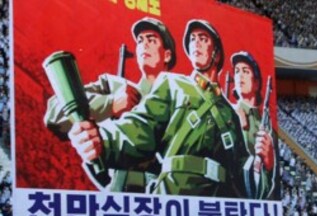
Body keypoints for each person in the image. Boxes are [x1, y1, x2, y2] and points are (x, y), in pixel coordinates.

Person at [67, 19, 250, 198]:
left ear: (216, 54)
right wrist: (103, 142)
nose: (196, 44)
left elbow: (243, 170)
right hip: (176, 194)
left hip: (220, 202)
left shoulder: (230, 113)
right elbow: (141, 128)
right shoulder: (173, 83)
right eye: (192, 39)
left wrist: (264, 163)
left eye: (203, 39)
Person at [46, 18, 176, 192]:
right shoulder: (116, 87)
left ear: (167, 54)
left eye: (151, 40)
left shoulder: (181, 99)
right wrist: (110, 104)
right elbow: (54, 113)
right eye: (140, 41)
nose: (144, 45)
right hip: (118, 191)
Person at [230, 51, 276, 200]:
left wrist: (269, 165)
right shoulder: (227, 113)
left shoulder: (266, 127)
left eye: (245, 71)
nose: (239, 75)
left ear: (256, 83)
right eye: (236, 71)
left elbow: (267, 187)